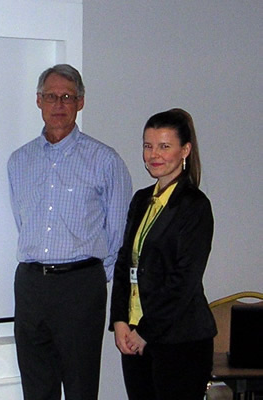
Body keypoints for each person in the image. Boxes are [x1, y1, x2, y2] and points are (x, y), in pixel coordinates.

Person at [8, 64, 132, 400]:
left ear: (80, 103)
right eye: (51, 96)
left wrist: (90, 278)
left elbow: (120, 235)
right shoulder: (18, 161)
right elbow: (23, 223)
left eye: (67, 97)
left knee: (80, 388)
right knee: (36, 389)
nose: (58, 104)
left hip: (80, 287)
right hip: (31, 284)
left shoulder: (105, 160)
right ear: (38, 101)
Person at [109, 108, 216, 400]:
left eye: (164, 146)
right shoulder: (142, 199)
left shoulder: (194, 205)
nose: (153, 154)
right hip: (134, 336)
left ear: (185, 150)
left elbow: (184, 281)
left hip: (180, 340)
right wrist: (119, 321)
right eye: (148, 145)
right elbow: (124, 262)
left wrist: (145, 331)